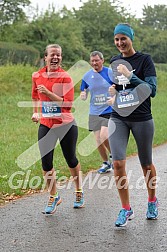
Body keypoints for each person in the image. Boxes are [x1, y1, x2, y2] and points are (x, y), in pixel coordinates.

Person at [108, 23, 158, 227]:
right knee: (117, 163)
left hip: (142, 118)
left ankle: (152, 201)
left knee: (146, 163)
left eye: (123, 38)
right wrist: (114, 93)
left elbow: (151, 90)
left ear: (131, 39)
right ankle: (126, 208)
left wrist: (130, 75)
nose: (120, 43)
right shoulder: (114, 61)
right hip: (118, 116)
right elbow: (122, 89)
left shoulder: (145, 60)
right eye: (117, 39)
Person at [31, 44, 84, 214]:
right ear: (45, 57)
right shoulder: (37, 76)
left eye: (58, 55)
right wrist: (36, 113)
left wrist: (47, 92)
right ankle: (54, 196)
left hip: (65, 124)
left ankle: (79, 191)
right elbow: (34, 97)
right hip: (46, 124)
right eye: (52, 55)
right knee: (46, 162)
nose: (55, 58)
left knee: (71, 159)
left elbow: (66, 104)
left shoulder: (65, 77)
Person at [80, 51, 114, 174]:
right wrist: (83, 94)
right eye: (92, 61)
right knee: (98, 140)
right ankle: (106, 163)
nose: (94, 63)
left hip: (108, 109)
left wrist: (114, 95)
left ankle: (114, 155)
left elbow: (118, 87)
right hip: (94, 111)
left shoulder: (109, 73)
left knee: (104, 136)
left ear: (102, 60)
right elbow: (83, 91)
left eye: (97, 60)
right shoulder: (87, 76)